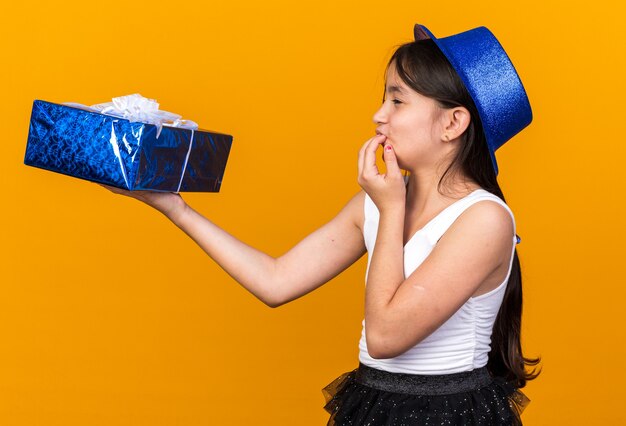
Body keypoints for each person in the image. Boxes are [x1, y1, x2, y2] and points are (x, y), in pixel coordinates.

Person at [102, 22, 540, 425]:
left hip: (452, 412)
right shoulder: (377, 203)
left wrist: (389, 211)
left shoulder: (484, 219)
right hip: (375, 402)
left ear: (453, 122)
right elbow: (276, 282)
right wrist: (174, 208)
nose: (379, 115)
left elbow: (386, 336)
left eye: (397, 99)